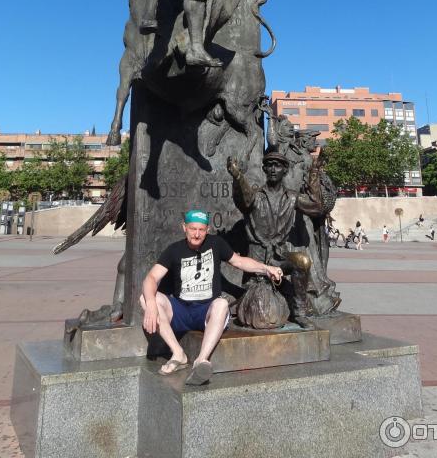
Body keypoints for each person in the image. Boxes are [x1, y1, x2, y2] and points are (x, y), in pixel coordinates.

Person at [141, 209, 282, 385]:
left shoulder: (216, 244)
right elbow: (151, 278)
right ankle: (178, 354)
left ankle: (201, 360)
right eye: (193, 229)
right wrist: (152, 306)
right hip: (180, 310)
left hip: (205, 311)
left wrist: (267, 269)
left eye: (201, 230)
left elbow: (239, 261)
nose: (197, 234)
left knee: (222, 303)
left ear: (207, 229)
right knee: (146, 299)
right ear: (184, 227)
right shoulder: (174, 250)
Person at [227, 152, 339, 327]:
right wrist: (238, 176)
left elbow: (317, 207)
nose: (273, 169)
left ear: (285, 170)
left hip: (278, 257)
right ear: (264, 169)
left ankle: (299, 313)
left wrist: (315, 172)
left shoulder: (292, 197)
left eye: (277, 165)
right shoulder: (256, 196)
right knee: (261, 312)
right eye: (269, 165)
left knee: (301, 261)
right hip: (257, 260)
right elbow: (243, 199)